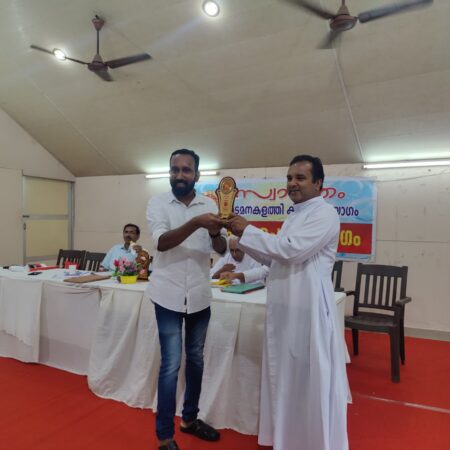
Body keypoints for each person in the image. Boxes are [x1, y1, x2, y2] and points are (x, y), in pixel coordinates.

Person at [226, 155, 348, 450]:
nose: (292, 183)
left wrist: (248, 230)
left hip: (308, 309)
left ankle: (312, 442)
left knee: (307, 378)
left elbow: (292, 251)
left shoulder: (325, 213)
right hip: (284, 307)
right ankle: (287, 438)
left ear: (318, 183)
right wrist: (242, 242)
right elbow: (276, 260)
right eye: (289, 178)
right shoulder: (294, 215)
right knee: (284, 375)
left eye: (300, 178)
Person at [145, 149, 227, 450]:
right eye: (175, 169)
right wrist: (197, 223)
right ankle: (165, 437)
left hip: (199, 296)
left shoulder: (210, 204)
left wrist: (215, 233)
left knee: (196, 360)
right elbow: (161, 243)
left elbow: (221, 248)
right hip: (167, 296)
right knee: (170, 365)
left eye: (186, 170)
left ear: (197, 175)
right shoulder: (157, 203)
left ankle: (189, 420)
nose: (180, 175)